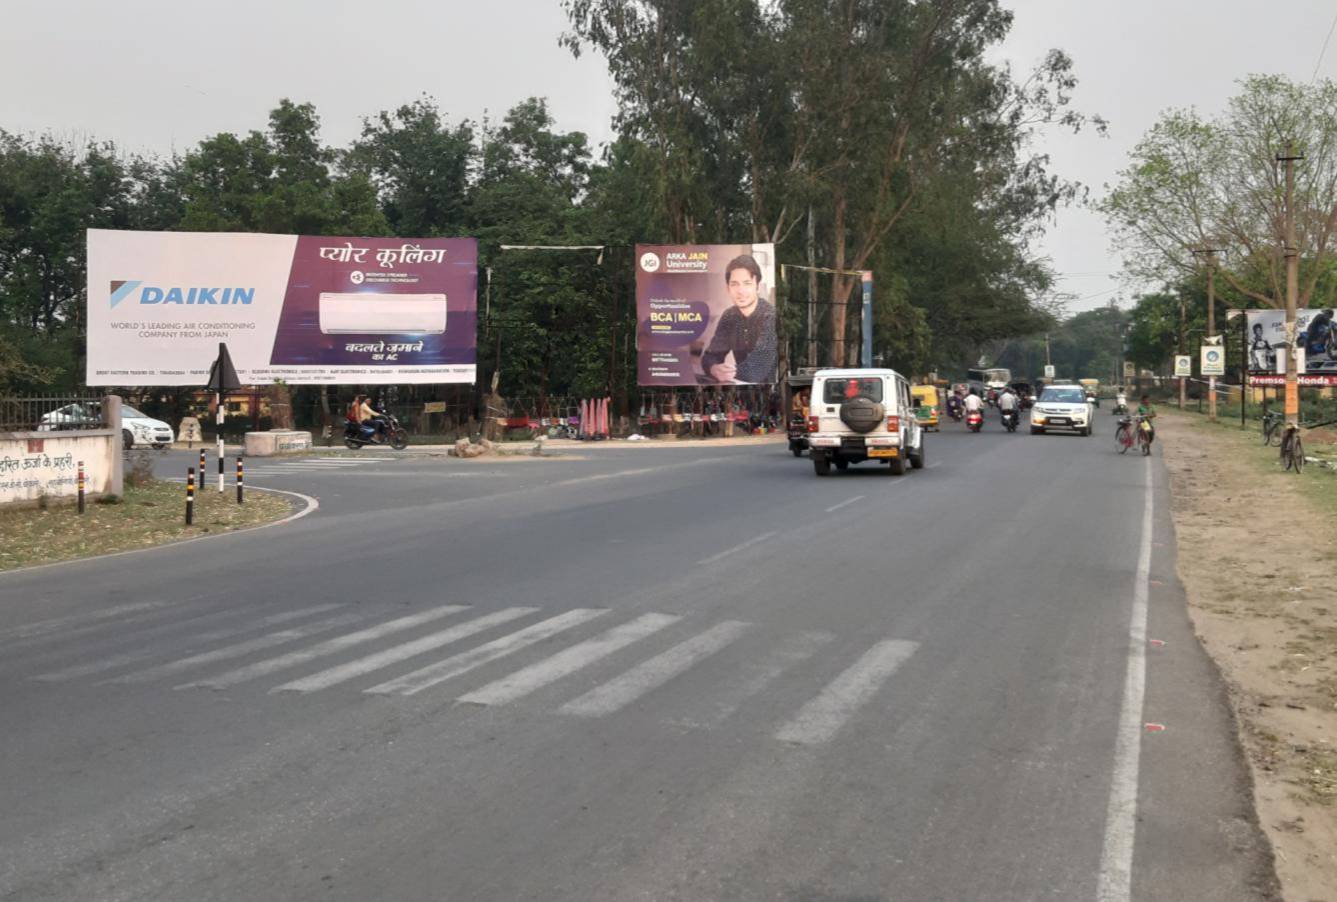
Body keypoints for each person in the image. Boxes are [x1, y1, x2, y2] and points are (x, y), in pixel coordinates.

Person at [700, 254, 778, 384]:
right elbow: (711, 355)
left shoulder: (770, 316)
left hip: (771, 391)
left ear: (757, 286)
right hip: (742, 389)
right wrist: (714, 368)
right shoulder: (729, 317)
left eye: (747, 283)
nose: (740, 291)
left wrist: (729, 372)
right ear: (728, 288)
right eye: (734, 284)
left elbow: (759, 366)